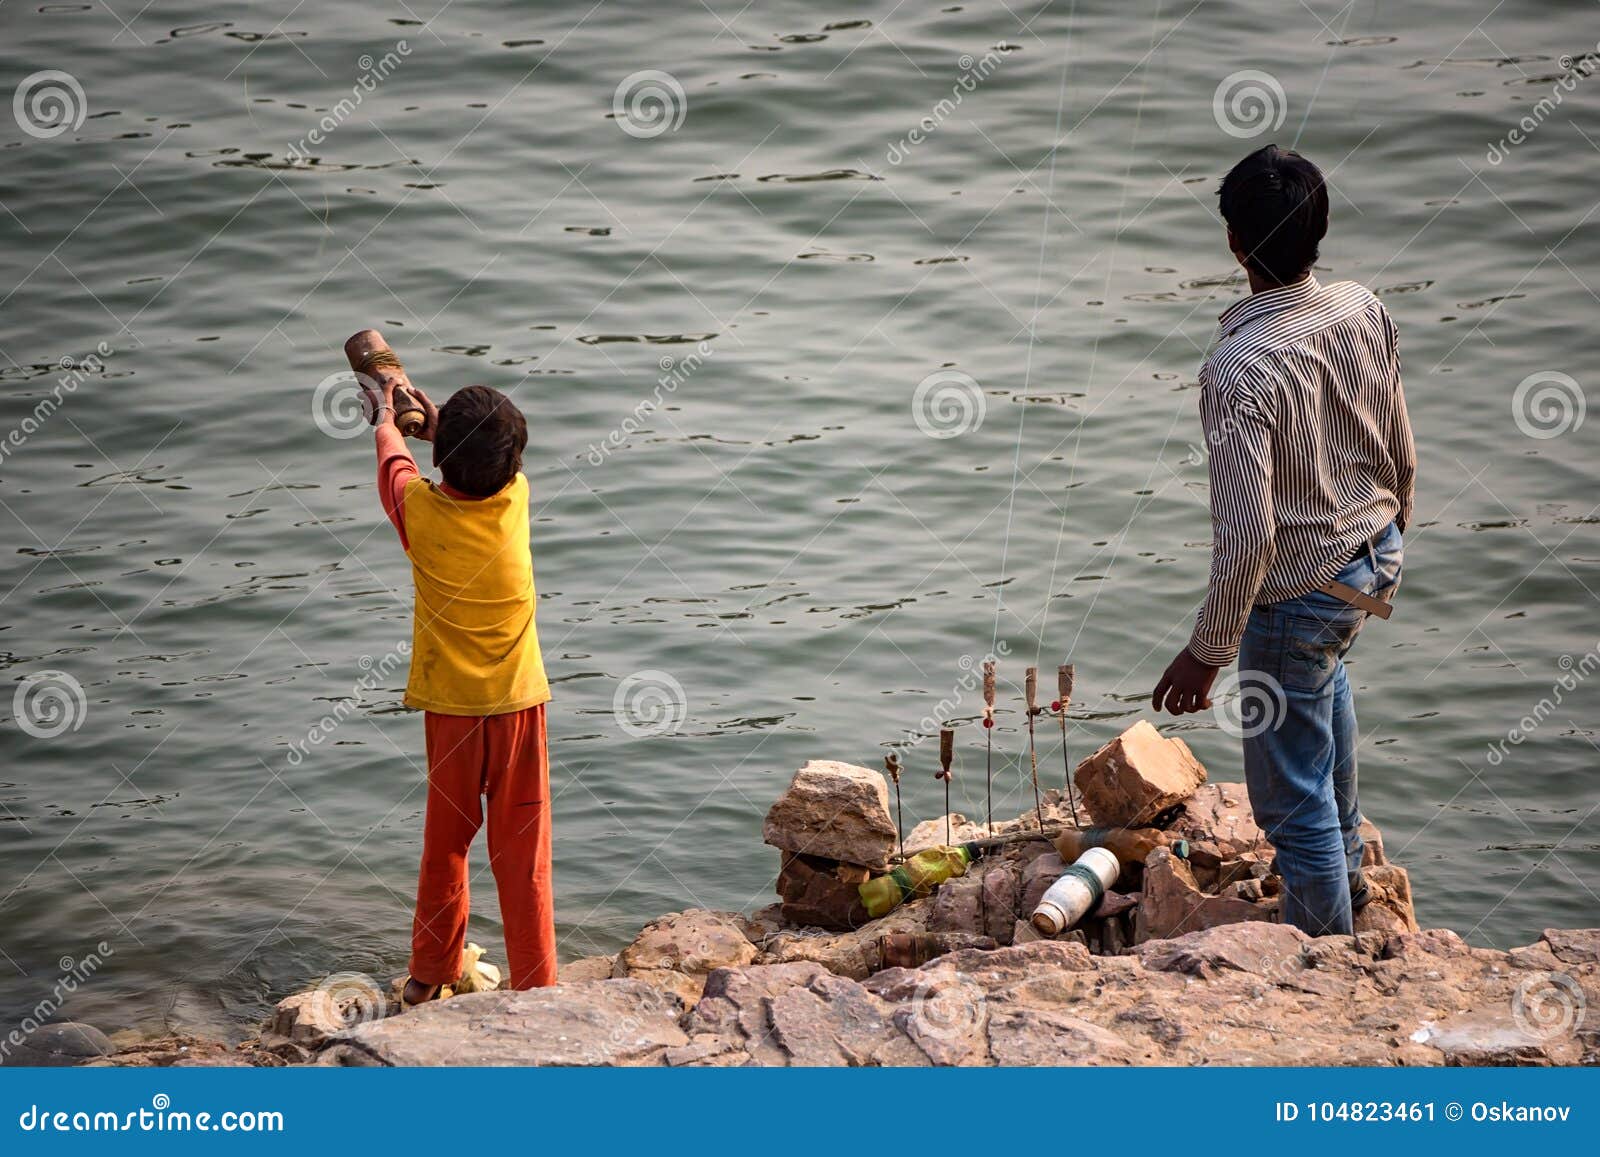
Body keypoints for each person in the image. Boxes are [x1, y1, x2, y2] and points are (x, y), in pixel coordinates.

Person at [1152, 144, 1416, 937]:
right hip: (1370, 557)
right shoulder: (1361, 308)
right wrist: (1395, 532)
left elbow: (1248, 536)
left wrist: (1208, 650)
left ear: (1235, 245)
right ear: (1321, 229)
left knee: (1290, 808)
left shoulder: (1240, 367)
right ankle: (1351, 887)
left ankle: (1326, 963)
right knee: (1324, 692)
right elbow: (1401, 446)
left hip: (1299, 593)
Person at [363, 376, 556, 1001]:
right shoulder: (517, 498)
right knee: (522, 853)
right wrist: (434, 419)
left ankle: (429, 976)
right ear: (512, 467)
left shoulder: (418, 512)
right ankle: (536, 985)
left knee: (445, 846)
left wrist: (389, 418)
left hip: (450, 712)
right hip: (520, 705)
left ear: (442, 455)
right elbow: (478, 454)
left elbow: (395, 462)